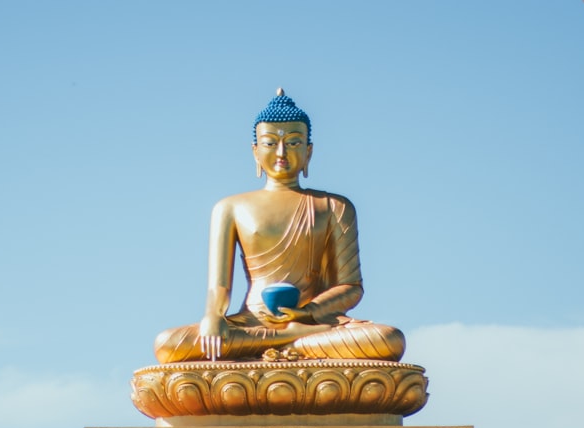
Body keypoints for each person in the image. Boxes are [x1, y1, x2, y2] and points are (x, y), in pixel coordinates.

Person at [154, 88, 406, 364]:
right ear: (255, 151)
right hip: (253, 322)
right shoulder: (230, 207)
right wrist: (213, 317)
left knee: (387, 339)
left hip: (315, 323)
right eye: (270, 143)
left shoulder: (334, 206)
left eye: (295, 143)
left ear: (309, 152)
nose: (282, 152)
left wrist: (308, 312)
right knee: (169, 345)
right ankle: (289, 341)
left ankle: (292, 340)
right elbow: (219, 288)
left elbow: (350, 287)